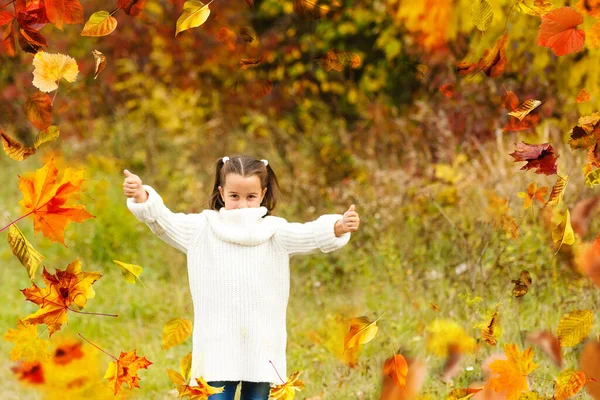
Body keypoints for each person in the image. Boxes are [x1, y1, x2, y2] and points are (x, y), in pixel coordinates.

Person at [122, 155, 360, 400]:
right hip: (217, 344)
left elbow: (308, 233)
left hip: (262, 342)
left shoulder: (275, 232)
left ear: (263, 193)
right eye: (235, 196)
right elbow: (164, 221)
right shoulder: (202, 228)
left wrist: (339, 226)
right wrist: (142, 196)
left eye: (251, 197)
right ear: (222, 192)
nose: (243, 205)